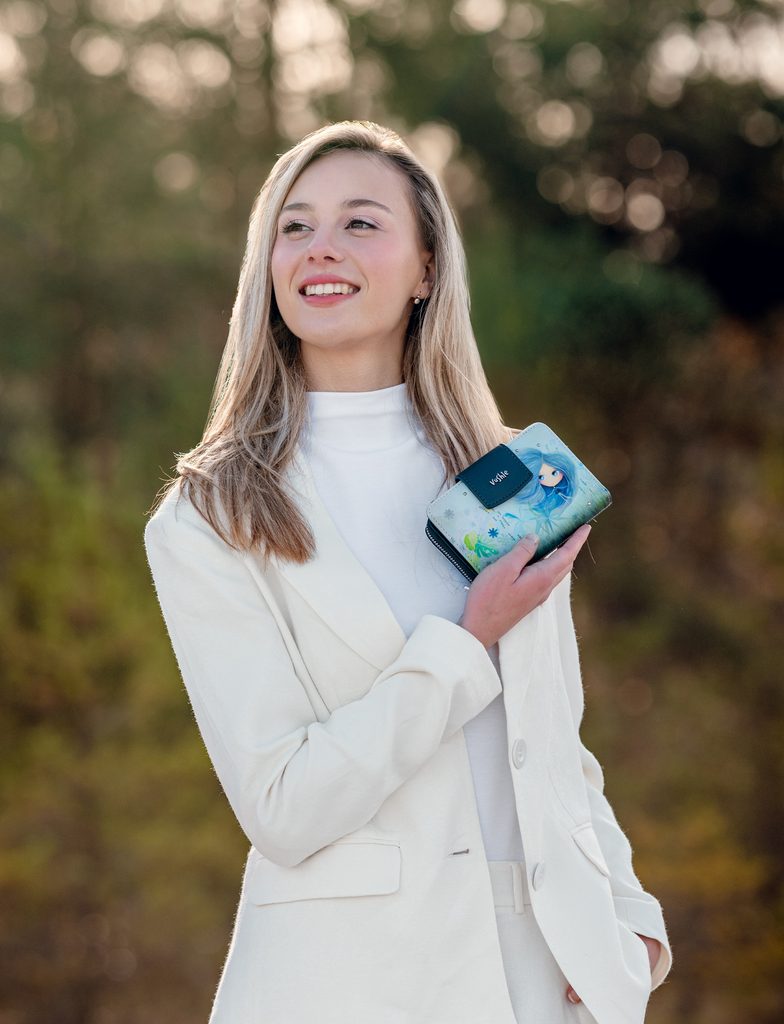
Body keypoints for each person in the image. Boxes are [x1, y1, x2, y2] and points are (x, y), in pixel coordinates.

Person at [144, 120, 672, 1024]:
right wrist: (466, 641)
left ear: (427, 268)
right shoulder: (211, 516)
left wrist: (631, 922)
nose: (321, 247)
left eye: (360, 221)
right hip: (346, 989)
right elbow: (283, 807)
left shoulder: (513, 477)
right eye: (295, 226)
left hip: (546, 984)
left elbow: (556, 749)